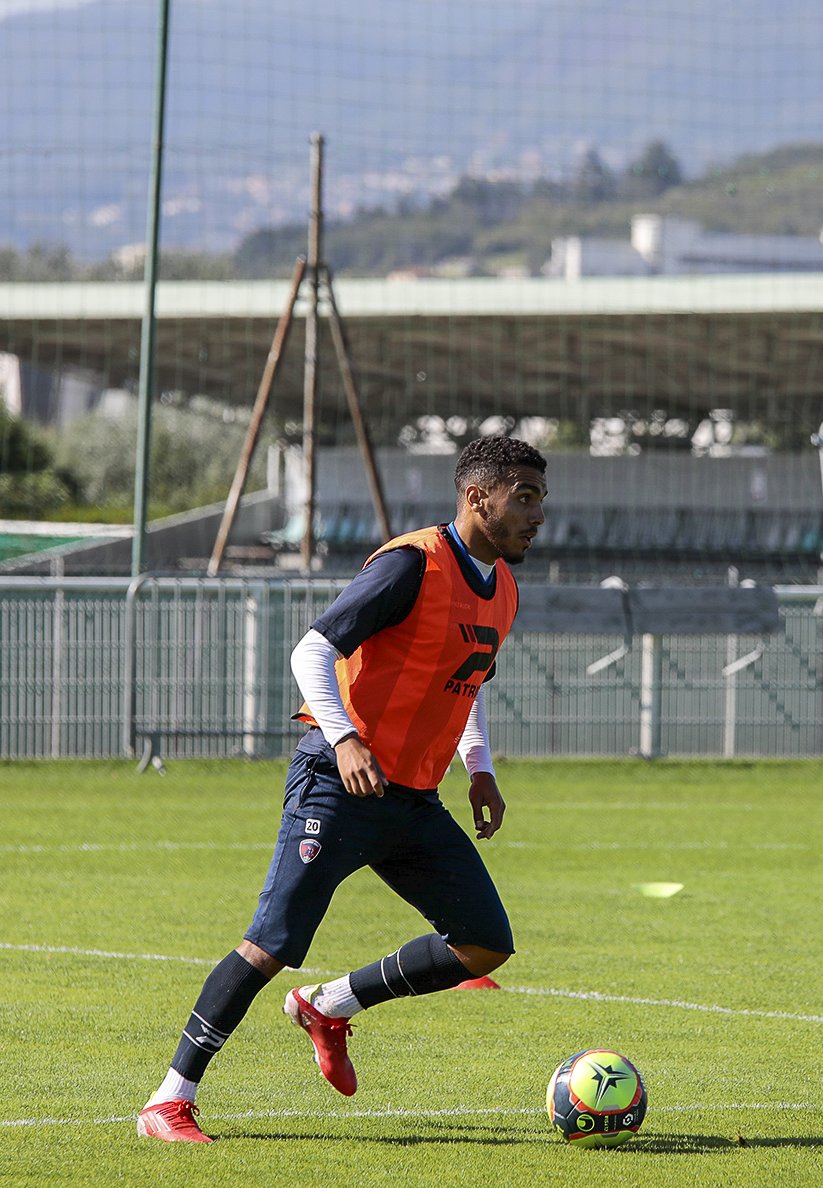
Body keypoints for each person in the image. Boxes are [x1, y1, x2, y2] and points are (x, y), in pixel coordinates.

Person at [138, 435, 548, 1142]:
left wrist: (478, 767)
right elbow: (312, 649)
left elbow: (468, 681)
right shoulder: (411, 564)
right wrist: (345, 737)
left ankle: (330, 1005)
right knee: (271, 942)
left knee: (484, 944)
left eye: (540, 499)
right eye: (525, 498)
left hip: (413, 798)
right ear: (478, 497)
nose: (537, 515)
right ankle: (168, 1100)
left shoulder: (502, 586)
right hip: (339, 783)